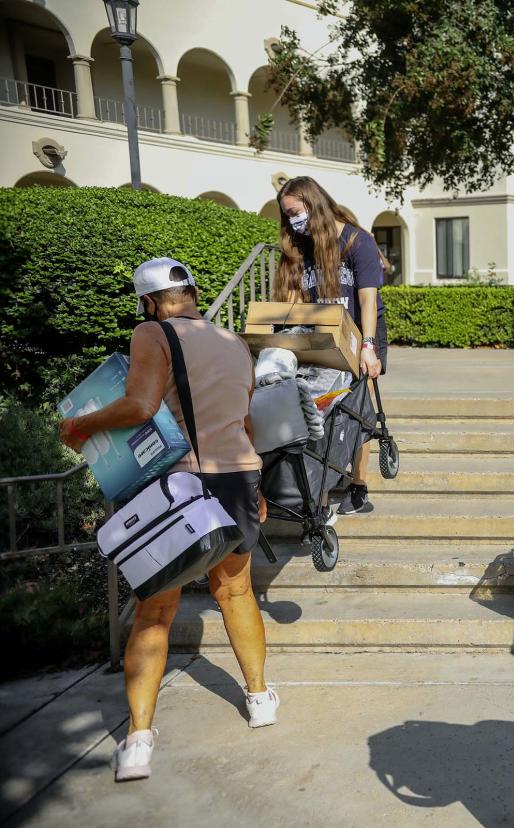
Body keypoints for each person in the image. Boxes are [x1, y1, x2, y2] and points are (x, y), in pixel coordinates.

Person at [59, 258, 277, 783]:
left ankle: (137, 743)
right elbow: (245, 418)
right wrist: (260, 485)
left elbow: (139, 405)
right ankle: (259, 698)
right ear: (193, 293)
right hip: (240, 475)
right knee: (237, 593)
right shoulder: (232, 341)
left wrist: (79, 425)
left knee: (155, 611)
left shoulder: (151, 333)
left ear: (150, 301)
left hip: (184, 485)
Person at [274, 176, 387, 515]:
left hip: (359, 333)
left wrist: (368, 346)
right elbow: (291, 305)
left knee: (358, 406)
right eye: (288, 215)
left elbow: (368, 300)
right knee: (323, 410)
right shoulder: (301, 248)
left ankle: (358, 482)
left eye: (296, 212)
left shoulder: (356, 242)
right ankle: (319, 494)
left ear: (313, 202)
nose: (293, 221)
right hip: (321, 340)